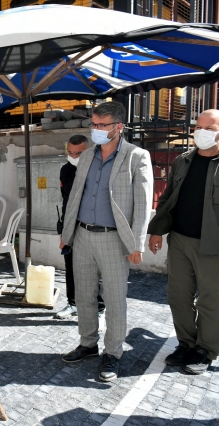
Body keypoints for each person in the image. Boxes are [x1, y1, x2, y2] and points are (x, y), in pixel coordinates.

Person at [60, 101, 153, 382]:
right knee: (84, 297)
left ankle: (112, 353)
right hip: (83, 236)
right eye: (93, 124)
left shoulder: (137, 156)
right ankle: (88, 343)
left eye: (102, 125)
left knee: (114, 300)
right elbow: (74, 196)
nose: (96, 130)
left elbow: (143, 202)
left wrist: (137, 244)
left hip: (114, 239)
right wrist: (67, 234)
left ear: (118, 127)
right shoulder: (87, 156)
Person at [147, 109, 219, 375]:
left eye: (210, 128)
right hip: (180, 240)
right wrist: (157, 231)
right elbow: (167, 199)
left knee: (211, 301)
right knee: (178, 296)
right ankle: (186, 343)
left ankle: (206, 350)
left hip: (213, 246)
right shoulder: (182, 161)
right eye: (198, 127)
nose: (201, 132)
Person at [55, 135, 106, 319]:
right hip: (71, 227)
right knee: (70, 266)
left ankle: (99, 308)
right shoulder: (66, 170)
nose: (74, 156)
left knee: (95, 269)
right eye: (70, 152)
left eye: (78, 153)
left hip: (94, 227)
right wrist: (63, 232)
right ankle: (73, 303)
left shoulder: (98, 168)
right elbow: (66, 202)